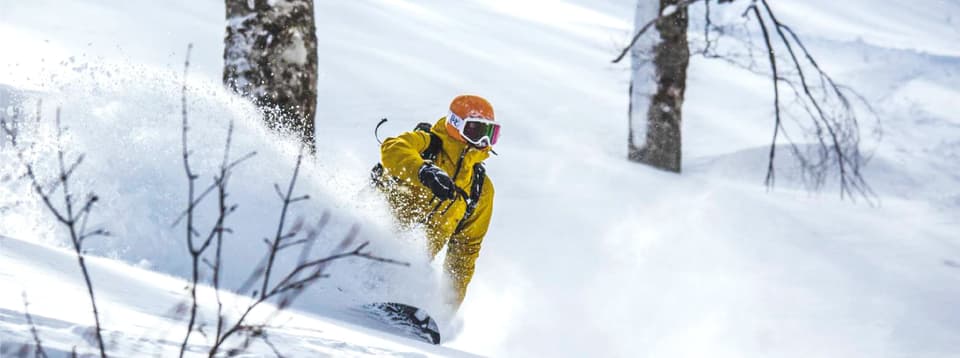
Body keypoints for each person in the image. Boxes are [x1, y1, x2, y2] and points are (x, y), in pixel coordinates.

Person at [373, 94, 500, 310]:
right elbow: (393, 148)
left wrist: (445, 310)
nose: (483, 142)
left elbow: (464, 254)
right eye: (476, 131)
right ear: (456, 125)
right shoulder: (426, 145)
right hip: (365, 242)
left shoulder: (480, 189)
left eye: (491, 134)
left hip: (405, 271)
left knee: (412, 277)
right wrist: (422, 170)